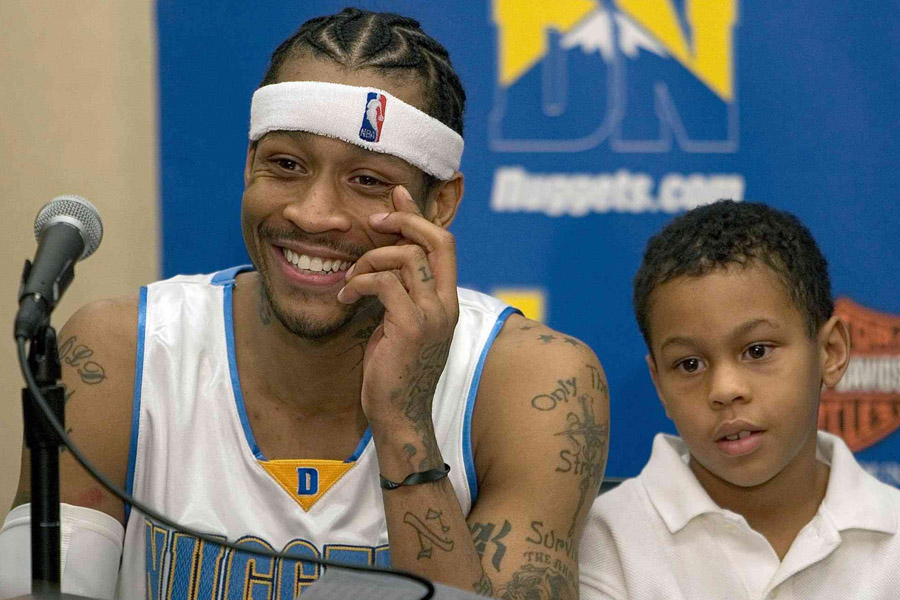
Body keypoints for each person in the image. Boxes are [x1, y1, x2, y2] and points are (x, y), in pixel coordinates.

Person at [0, 8, 609, 600]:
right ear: (250, 165)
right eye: (286, 165)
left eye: (367, 180)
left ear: (441, 204)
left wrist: (403, 422)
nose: (313, 214)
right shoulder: (120, 354)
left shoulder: (532, 380)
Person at [578, 200, 900, 600]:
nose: (725, 389)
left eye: (757, 351)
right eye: (690, 364)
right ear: (659, 384)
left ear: (830, 352)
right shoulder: (603, 546)